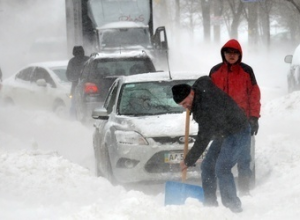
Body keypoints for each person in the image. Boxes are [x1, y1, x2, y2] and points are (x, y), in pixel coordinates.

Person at [172, 76, 250, 213]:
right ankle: (210, 205)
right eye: (182, 106)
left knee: (222, 167)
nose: (185, 107)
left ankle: (234, 208)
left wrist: (188, 160)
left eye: (185, 103)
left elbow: (204, 137)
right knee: (207, 166)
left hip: (238, 131)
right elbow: (204, 79)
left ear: (191, 93)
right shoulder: (198, 92)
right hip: (224, 133)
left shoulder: (206, 105)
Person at [209, 39, 261, 195]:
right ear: (223, 54)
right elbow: (209, 97)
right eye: (228, 53)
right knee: (219, 159)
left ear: (240, 54)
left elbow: (254, 95)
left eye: (234, 53)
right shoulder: (215, 72)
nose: (231, 56)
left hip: (242, 124)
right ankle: (220, 190)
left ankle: (245, 191)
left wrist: (254, 118)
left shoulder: (247, 71)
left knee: (244, 158)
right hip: (221, 125)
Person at [66, 46, 89, 116]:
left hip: (75, 86)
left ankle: (73, 118)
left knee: (73, 104)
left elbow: (68, 74)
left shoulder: (72, 61)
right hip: (88, 86)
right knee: (86, 103)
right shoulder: (88, 60)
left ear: (73, 52)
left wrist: (74, 79)